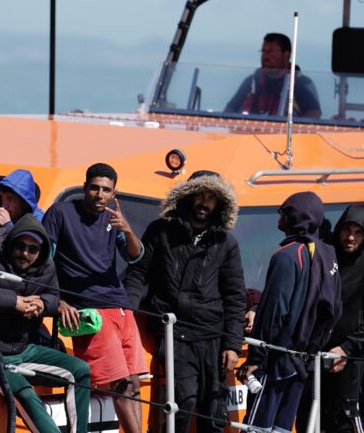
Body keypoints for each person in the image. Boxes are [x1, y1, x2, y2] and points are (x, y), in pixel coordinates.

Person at [124, 170, 245, 433]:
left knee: (213, 413)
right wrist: (128, 310)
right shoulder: (161, 231)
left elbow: (236, 297)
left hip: (212, 335)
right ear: (188, 196)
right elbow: (137, 272)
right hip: (173, 332)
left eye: (211, 197)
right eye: (200, 194)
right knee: (183, 404)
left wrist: (233, 345)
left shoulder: (226, 243)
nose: (204, 202)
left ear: (219, 203)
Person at [43, 163, 146, 433]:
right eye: (95, 188)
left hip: (121, 308)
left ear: (114, 192)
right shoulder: (60, 213)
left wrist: (126, 229)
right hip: (90, 311)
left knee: (134, 383)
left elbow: (136, 256)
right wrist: (59, 300)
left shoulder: (113, 218)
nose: (100, 195)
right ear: (85, 186)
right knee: (121, 385)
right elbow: (43, 263)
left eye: (106, 190)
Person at [0, 213, 90, 433]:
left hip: (25, 348)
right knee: (25, 392)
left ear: (40, 252)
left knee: (80, 370)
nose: (25, 253)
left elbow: (54, 296)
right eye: (20, 246)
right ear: (12, 243)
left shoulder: (46, 266)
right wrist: (14, 302)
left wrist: (43, 303)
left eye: (32, 250)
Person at [240, 192, 342, 433]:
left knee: (257, 427)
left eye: (284, 212)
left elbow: (273, 312)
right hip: (301, 361)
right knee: (283, 428)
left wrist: (256, 358)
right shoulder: (328, 257)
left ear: (296, 217)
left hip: (275, 359)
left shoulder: (287, 255)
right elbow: (334, 309)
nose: (280, 216)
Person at [296, 204, 364, 432]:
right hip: (316, 355)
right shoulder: (326, 256)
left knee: (344, 422)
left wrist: (347, 349)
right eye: (347, 230)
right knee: (308, 416)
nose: (350, 237)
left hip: (351, 362)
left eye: (358, 232)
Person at [225, 33, 322, 118]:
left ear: (286, 55)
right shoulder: (251, 82)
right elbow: (229, 111)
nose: (265, 56)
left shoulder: (300, 83)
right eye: (263, 51)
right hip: (249, 136)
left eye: (271, 51)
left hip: (284, 137)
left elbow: (314, 114)